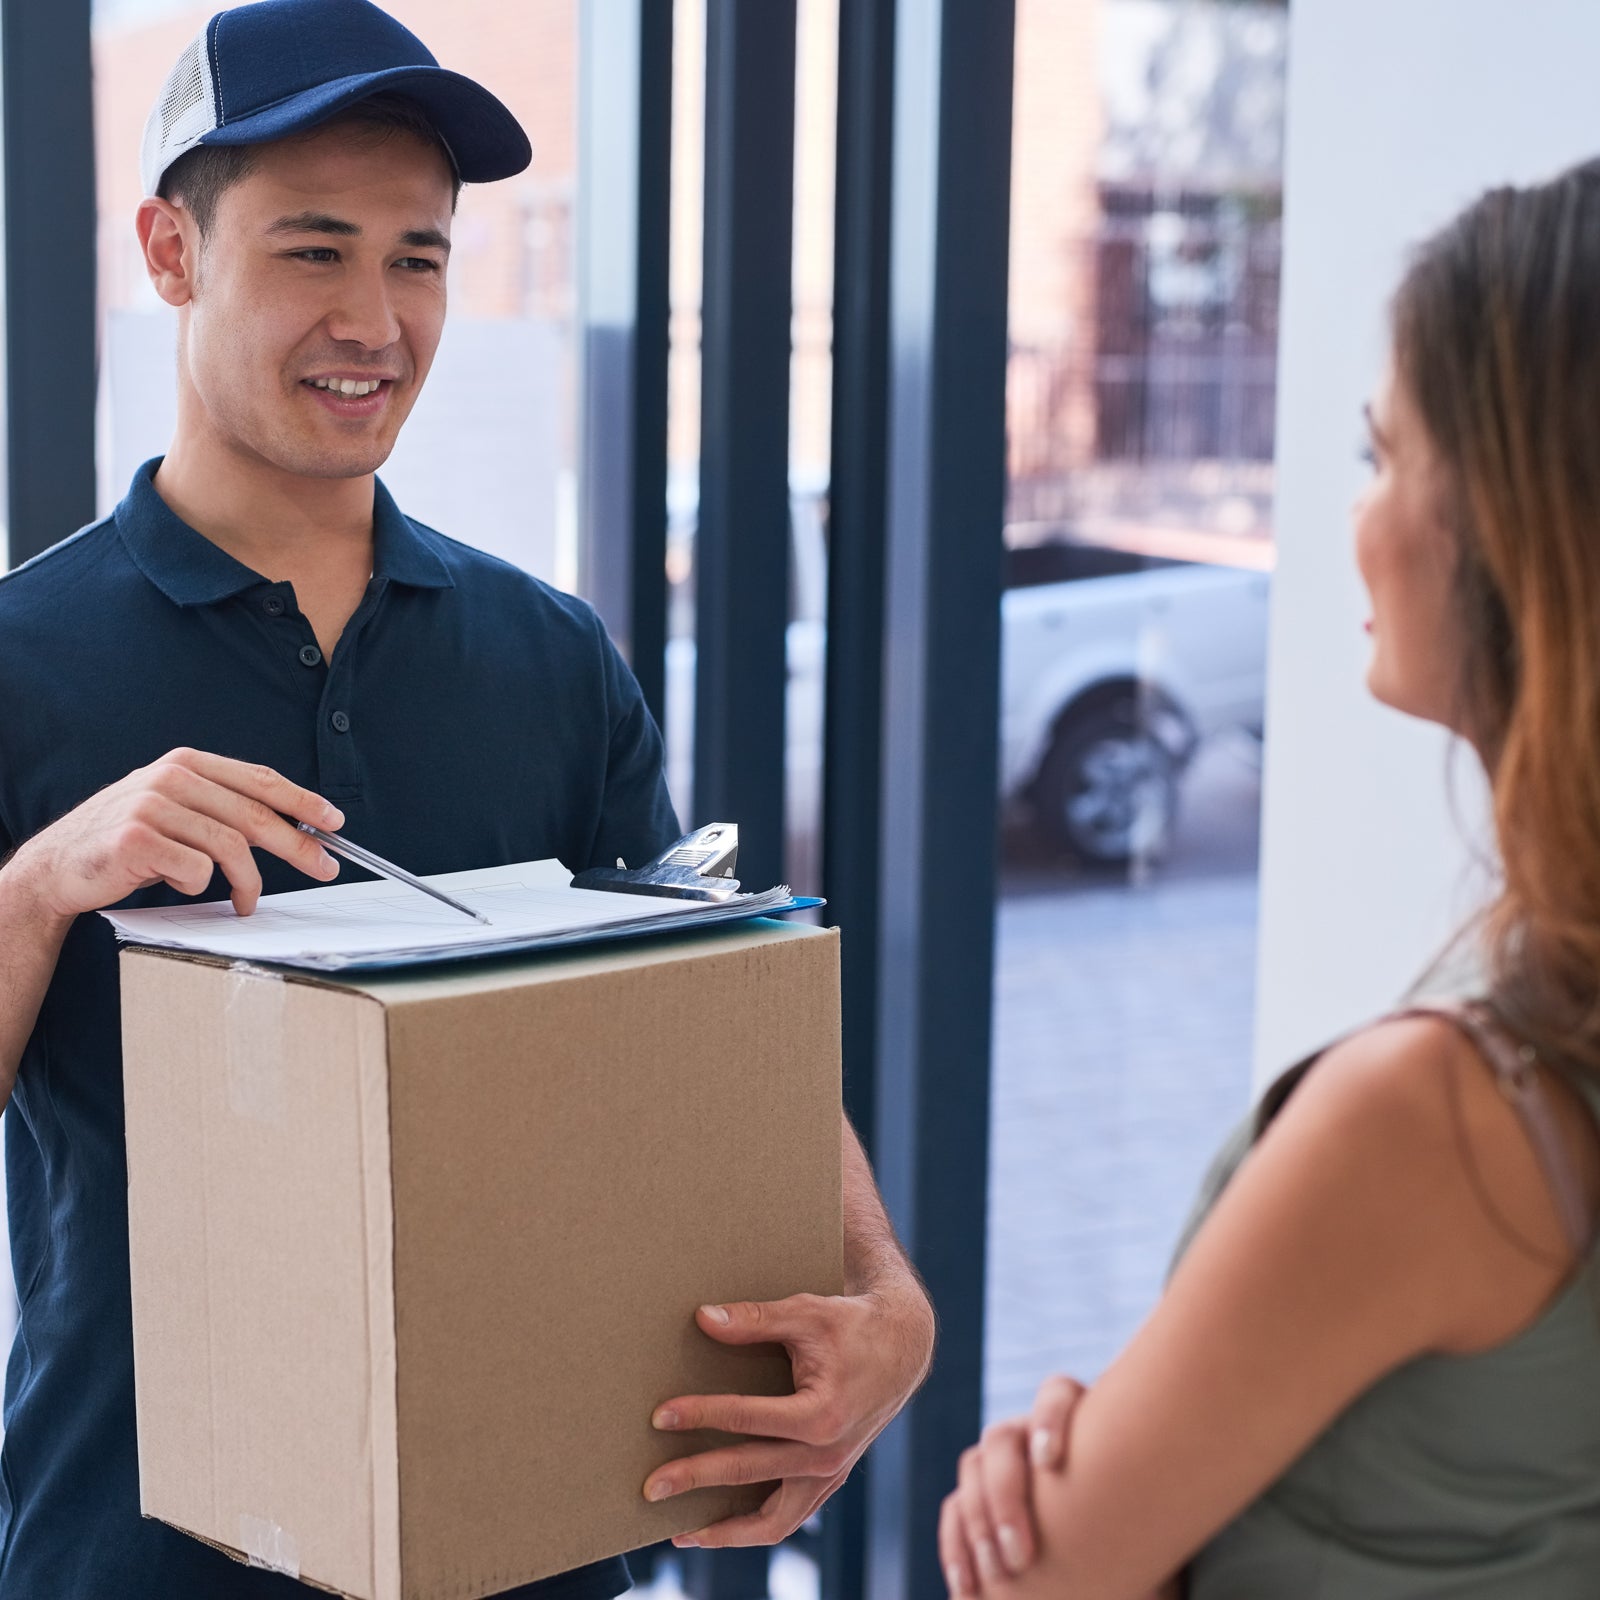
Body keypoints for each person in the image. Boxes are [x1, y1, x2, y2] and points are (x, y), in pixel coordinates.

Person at [0, 3, 934, 1596]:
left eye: (417, 259)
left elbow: (695, 1009)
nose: (375, 318)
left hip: (536, 1543)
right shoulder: (23, 660)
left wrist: (884, 1291)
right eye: (313, 252)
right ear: (170, 252)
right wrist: (38, 887)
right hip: (137, 1550)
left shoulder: (551, 656)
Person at [940, 158, 1600, 1599]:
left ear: (1511, 531)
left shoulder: (1442, 1117)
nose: (1357, 519)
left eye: (1383, 457)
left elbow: (1039, 1582)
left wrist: (1066, 1502)